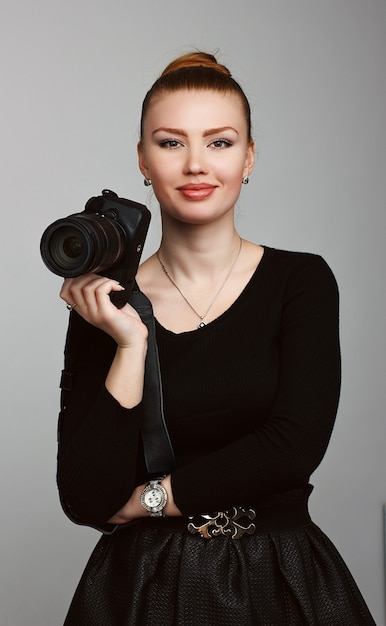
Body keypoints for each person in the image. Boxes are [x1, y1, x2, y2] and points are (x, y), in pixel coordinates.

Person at [58, 51, 375, 625]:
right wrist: (131, 345)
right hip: (140, 591)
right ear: (142, 161)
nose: (196, 164)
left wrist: (154, 500)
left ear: (249, 157)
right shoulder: (106, 303)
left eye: (221, 142)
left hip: (281, 576)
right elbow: (84, 497)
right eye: (171, 142)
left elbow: (293, 445)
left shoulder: (300, 282)